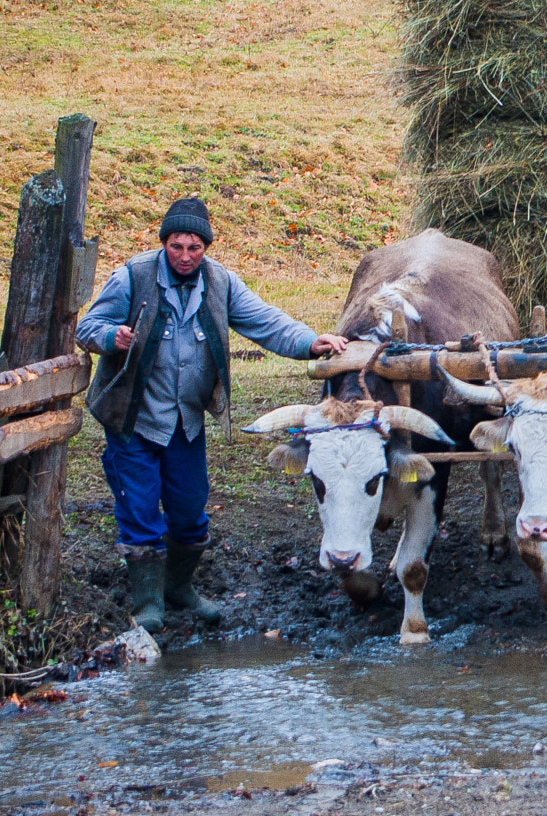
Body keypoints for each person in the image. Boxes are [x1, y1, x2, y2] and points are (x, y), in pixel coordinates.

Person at [79, 198, 349, 633]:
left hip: (185, 421)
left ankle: (179, 588)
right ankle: (149, 603)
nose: (185, 257)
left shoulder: (220, 282)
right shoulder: (133, 276)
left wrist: (308, 342)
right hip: (133, 419)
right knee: (141, 508)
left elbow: (264, 320)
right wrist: (113, 336)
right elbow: (87, 327)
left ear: (206, 247)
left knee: (189, 511)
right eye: (176, 246)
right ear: (163, 243)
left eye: (194, 248)